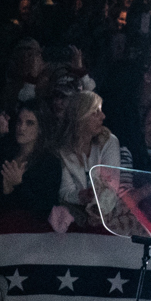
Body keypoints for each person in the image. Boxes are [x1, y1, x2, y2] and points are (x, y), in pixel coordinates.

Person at [54, 90, 130, 230]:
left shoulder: (109, 141)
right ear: (80, 117)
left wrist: (95, 205)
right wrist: (82, 196)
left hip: (106, 214)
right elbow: (65, 192)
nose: (103, 116)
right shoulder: (61, 150)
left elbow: (110, 186)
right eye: (95, 112)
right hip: (74, 215)